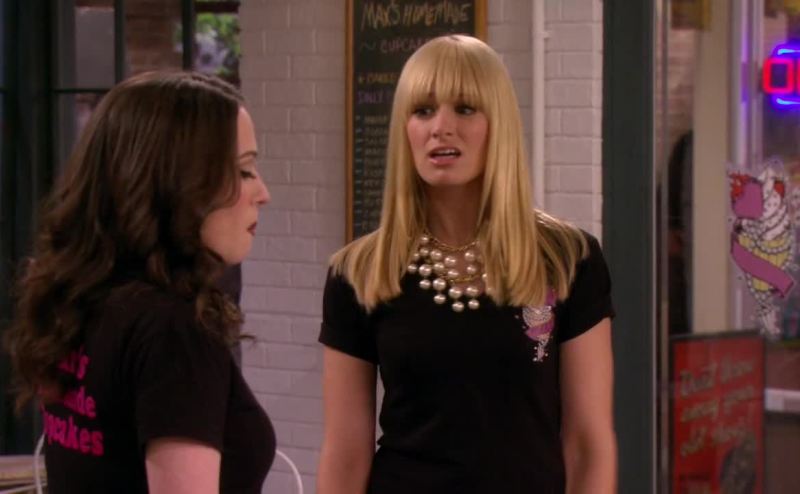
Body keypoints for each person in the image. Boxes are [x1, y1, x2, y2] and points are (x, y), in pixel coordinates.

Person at [317, 35, 616, 493]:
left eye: (465, 108)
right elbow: (345, 453)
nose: (441, 127)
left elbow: (588, 444)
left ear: (499, 123)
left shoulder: (567, 258)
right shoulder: (360, 273)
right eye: (423, 111)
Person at [4, 71, 275, 493]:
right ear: (177, 182)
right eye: (242, 171)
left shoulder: (83, 300)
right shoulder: (173, 330)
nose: (263, 192)